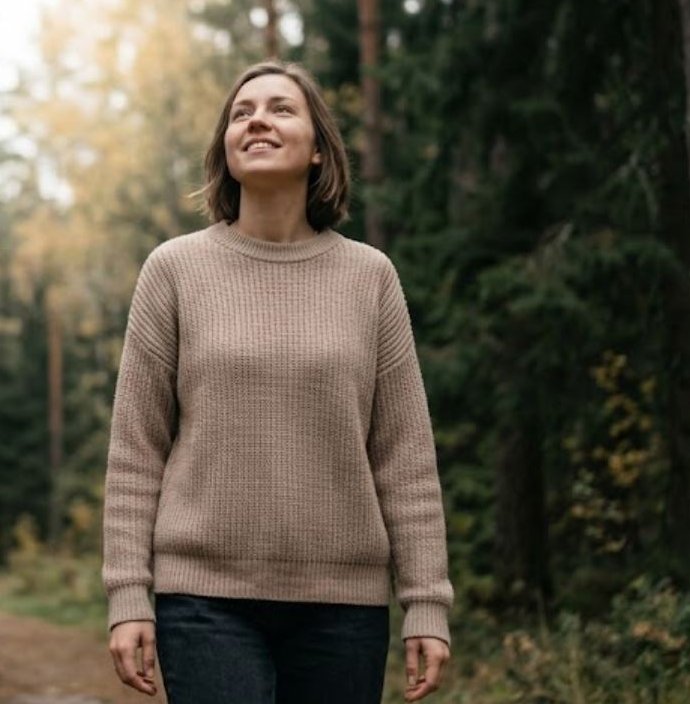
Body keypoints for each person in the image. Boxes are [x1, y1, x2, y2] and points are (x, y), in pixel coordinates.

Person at [101, 60, 453, 703]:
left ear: (319, 149)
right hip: (203, 602)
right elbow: (135, 451)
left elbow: (405, 457)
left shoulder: (371, 278)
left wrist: (426, 601)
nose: (257, 120)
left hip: (343, 609)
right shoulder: (174, 270)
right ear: (226, 149)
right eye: (242, 113)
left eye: (280, 109)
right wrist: (128, 594)